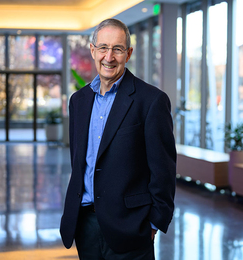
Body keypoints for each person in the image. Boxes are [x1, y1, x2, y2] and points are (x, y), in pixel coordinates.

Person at [60, 18, 176, 260]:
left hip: (131, 227)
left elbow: (163, 169)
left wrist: (154, 223)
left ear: (129, 53)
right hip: (85, 224)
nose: (109, 57)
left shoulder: (151, 101)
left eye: (118, 49)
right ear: (92, 51)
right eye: (103, 47)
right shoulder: (78, 101)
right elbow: (78, 161)